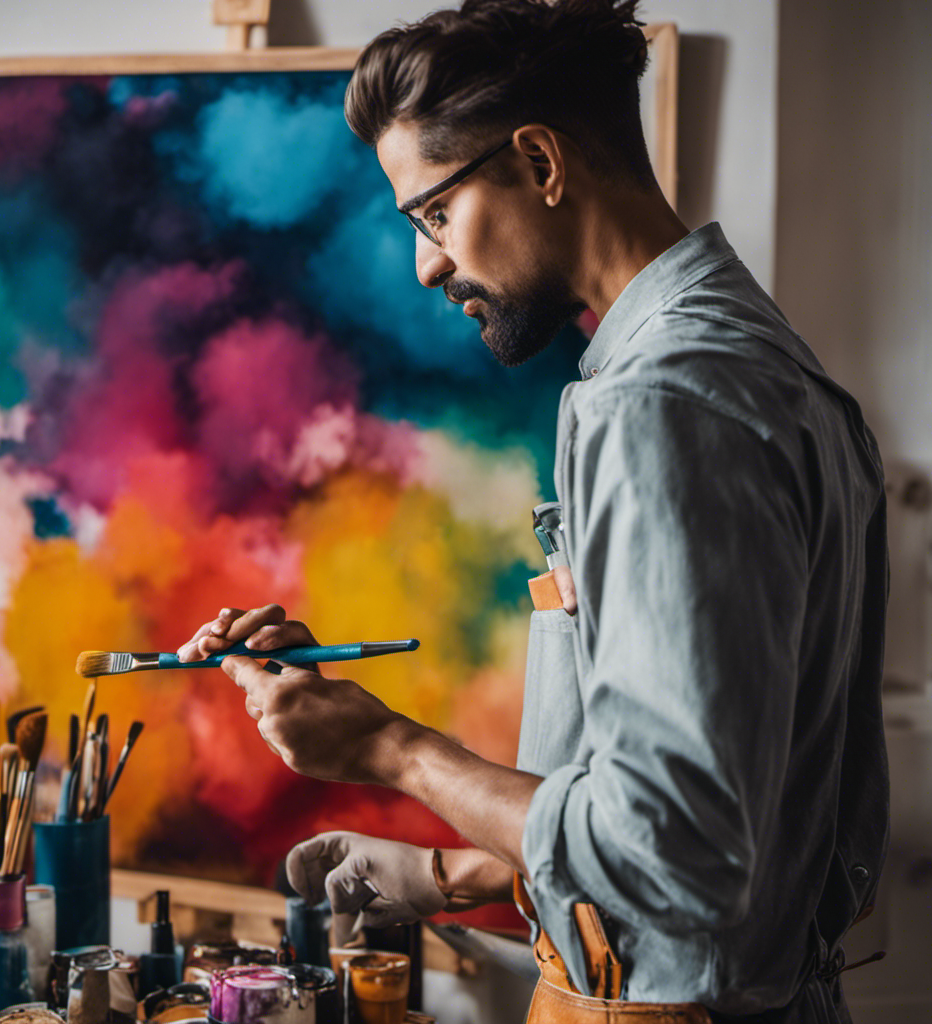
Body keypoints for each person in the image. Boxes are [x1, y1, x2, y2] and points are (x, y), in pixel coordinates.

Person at [178, 2, 889, 1020]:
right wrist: (454, 875)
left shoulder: (660, 401)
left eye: (432, 213)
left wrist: (392, 749)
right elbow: (749, 827)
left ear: (541, 162)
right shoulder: (768, 367)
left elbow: (673, 856)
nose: (426, 264)